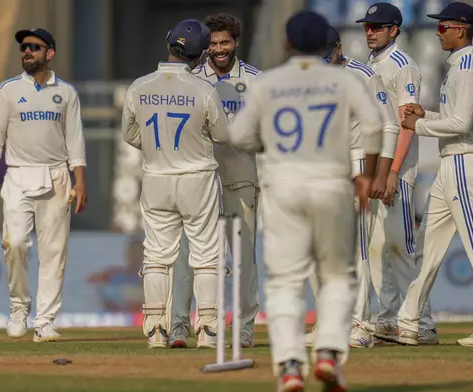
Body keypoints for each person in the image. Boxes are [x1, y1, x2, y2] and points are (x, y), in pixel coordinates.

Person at [230, 10, 384, 392]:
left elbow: (239, 135)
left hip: (283, 186)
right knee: (337, 276)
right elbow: (375, 124)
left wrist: (269, 143)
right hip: (332, 184)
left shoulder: (269, 83)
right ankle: (329, 351)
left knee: (285, 283)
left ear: (287, 44)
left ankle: (290, 366)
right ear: (324, 46)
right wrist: (367, 173)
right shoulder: (342, 81)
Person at [398, 2, 473, 347]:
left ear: (461, 29)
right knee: (426, 248)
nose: (437, 32)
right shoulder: (463, 66)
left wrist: (418, 124)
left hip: (463, 163)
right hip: (453, 162)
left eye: (442, 27)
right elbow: (457, 118)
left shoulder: (466, 68)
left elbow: (462, 125)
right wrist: (429, 114)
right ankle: (410, 321)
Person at [121, 19, 230, 349]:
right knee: (207, 254)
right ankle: (208, 329)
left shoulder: (139, 87)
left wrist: (161, 150)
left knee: (156, 255)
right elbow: (224, 135)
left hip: (156, 178)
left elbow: (130, 134)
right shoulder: (204, 89)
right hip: (197, 179)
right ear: (200, 56)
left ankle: (155, 328)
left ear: (169, 44)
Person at [0, 28, 87, 342]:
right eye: (24, 47)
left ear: (49, 53)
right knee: (14, 244)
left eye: (34, 47)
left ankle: (45, 321)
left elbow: (76, 143)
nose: (27, 51)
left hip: (56, 176)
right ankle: (18, 308)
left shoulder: (66, 92)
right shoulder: (8, 89)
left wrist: (80, 183)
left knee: (54, 252)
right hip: (17, 175)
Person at [305, 25, 399, 349]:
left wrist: (382, 173)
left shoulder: (362, 75)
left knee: (357, 249)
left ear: (338, 48)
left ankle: (359, 324)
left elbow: (389, 123)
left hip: (359, 164)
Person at [171, 12, 260, 349]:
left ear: (236, 42)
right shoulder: (191, 78)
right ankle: (180, 322)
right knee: (188, 254)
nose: (220, 49)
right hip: (198, 180)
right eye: (213, 43)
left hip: (240, 179)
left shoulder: (255, 79)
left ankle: (243, 326)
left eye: (226, 42)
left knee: (243, 256)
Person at [358, 2, 439, 345]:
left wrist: (392, 171)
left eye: (377, 26)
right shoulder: (369, 66)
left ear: (394, 30)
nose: (370, 31)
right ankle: (389, 320)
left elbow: (408, 123)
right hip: (375, 169)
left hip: (397, 172)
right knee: (378, 251)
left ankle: (422, 322)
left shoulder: (403, 65)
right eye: (367, 26)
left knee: (401, 248)